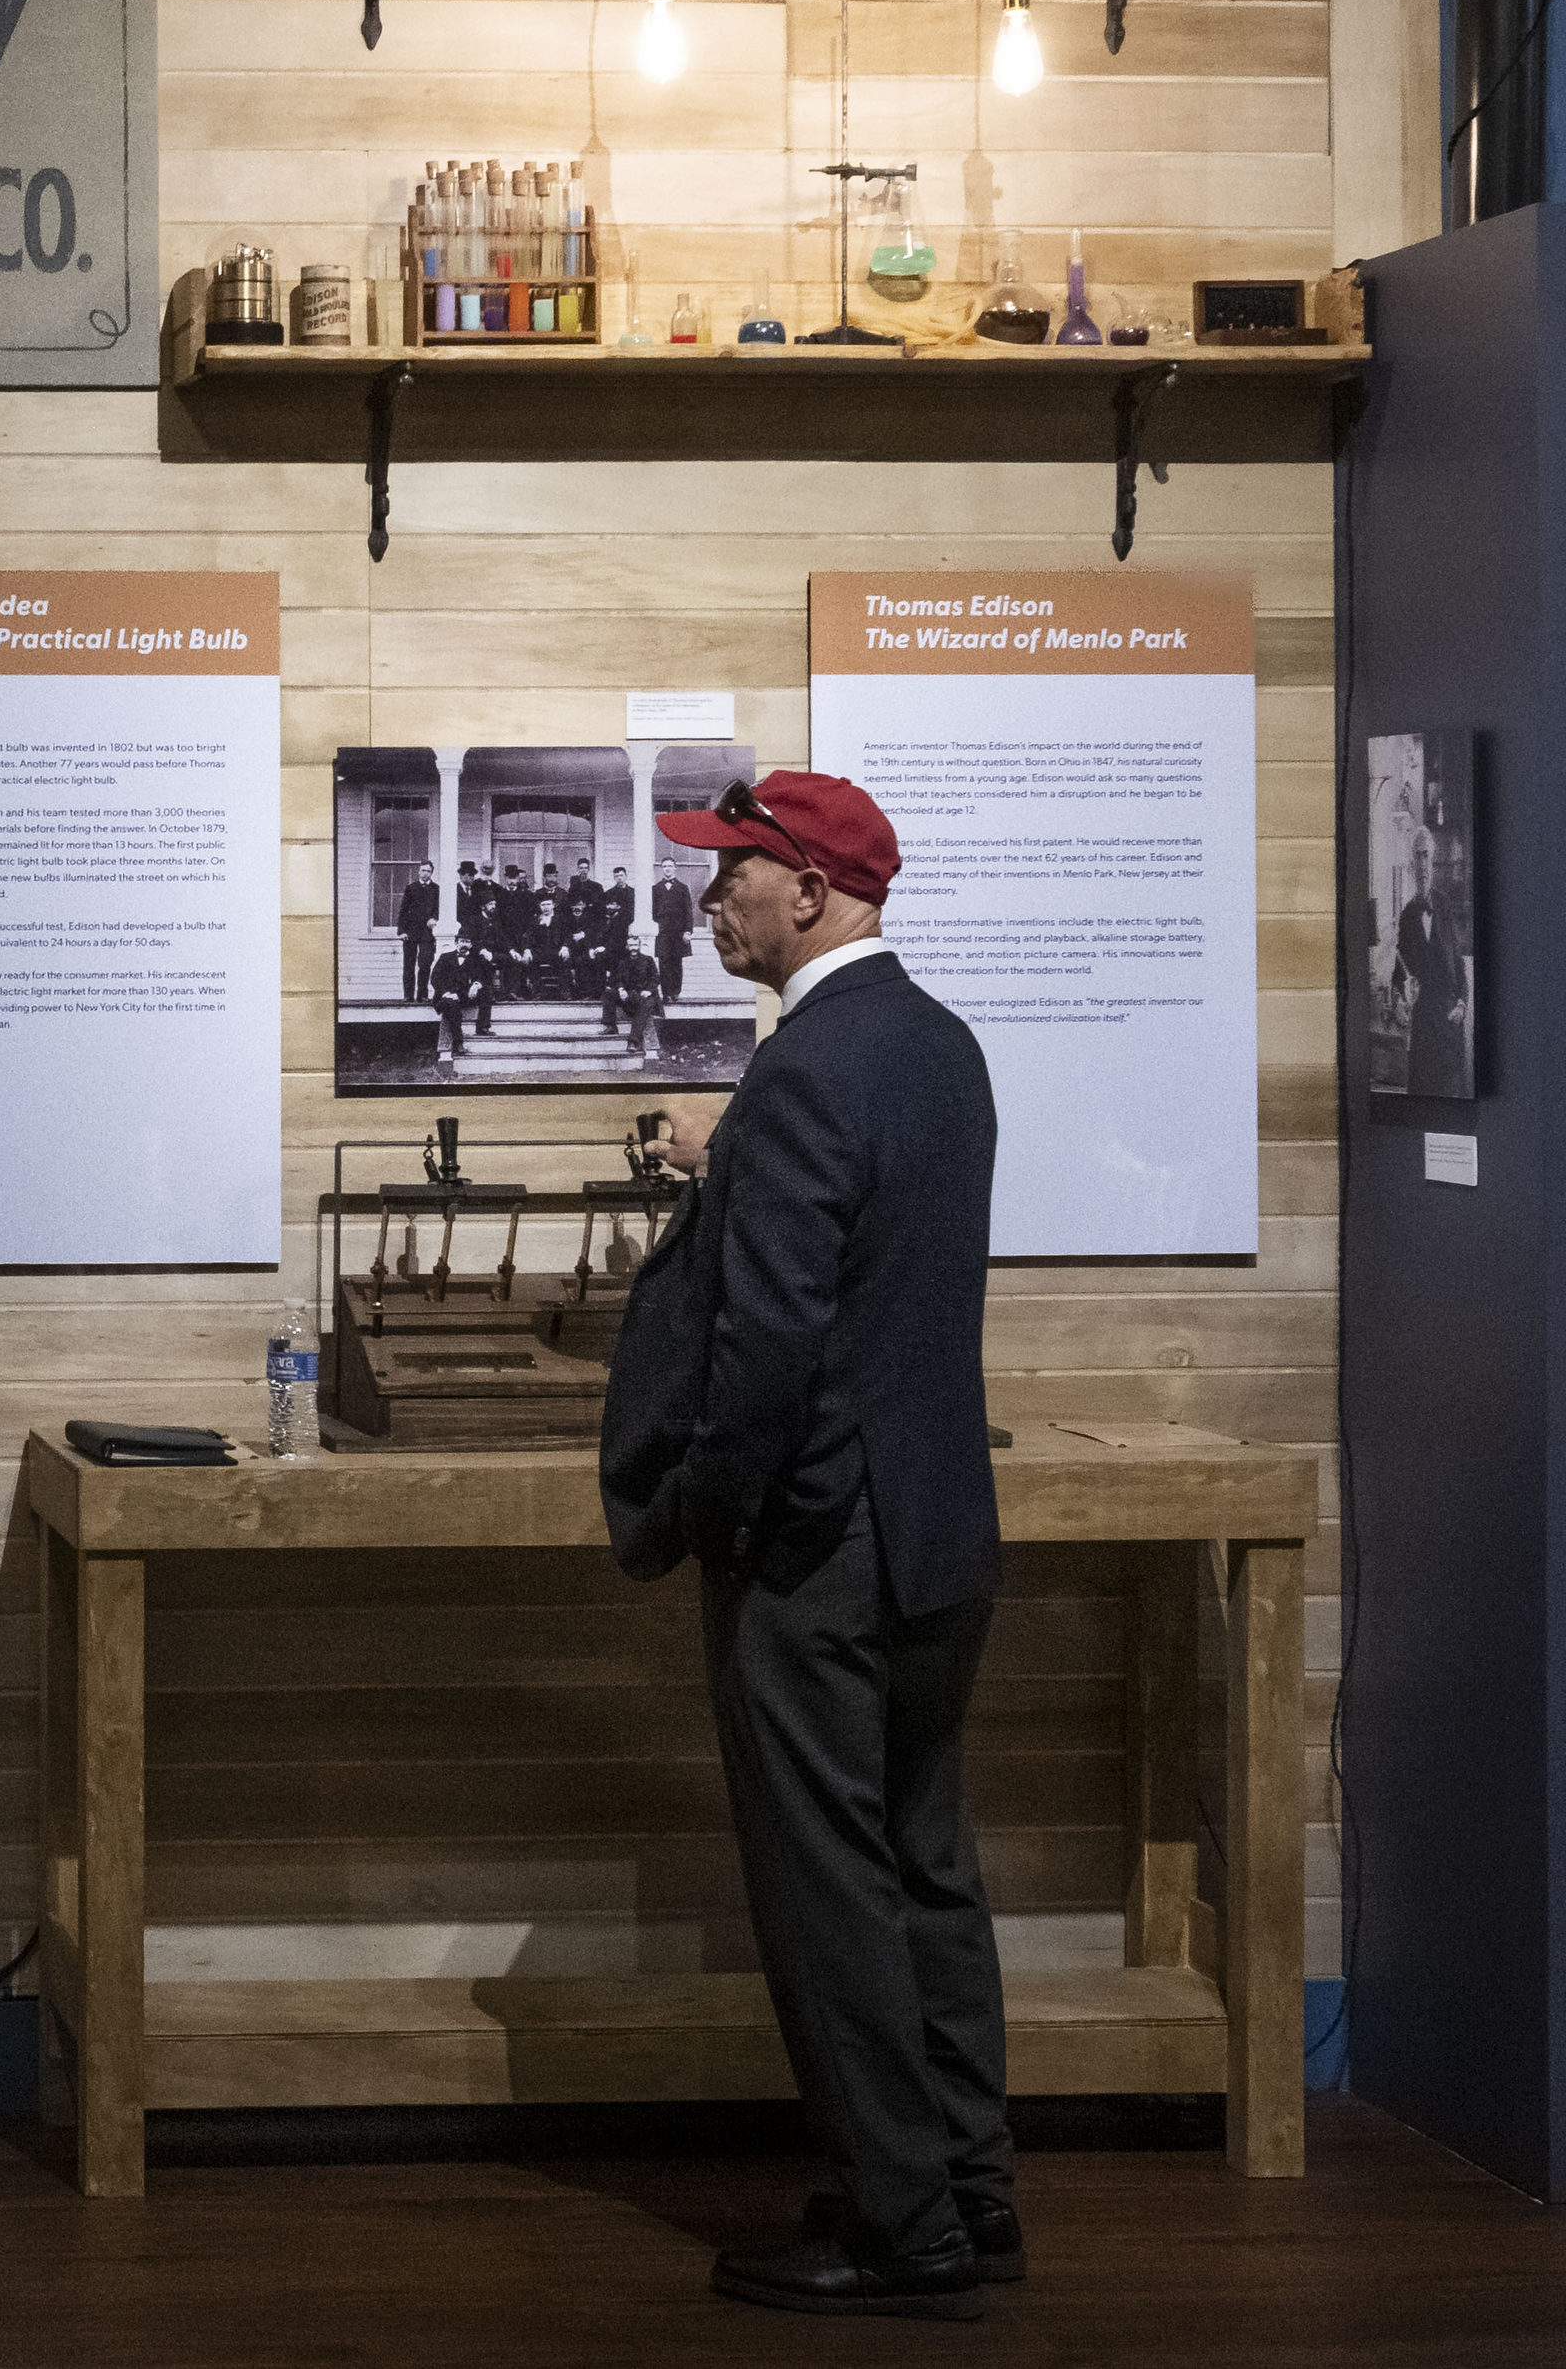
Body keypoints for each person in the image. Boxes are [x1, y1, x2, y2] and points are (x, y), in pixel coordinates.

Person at [598, 770, 1010, 2322]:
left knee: (828, 1890)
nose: (710, 899)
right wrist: (735, 1160)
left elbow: (766, 1348)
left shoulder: (802, 1069)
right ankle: (969, 2191)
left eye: (734, 875)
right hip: (937, 1531)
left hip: (819, 1547)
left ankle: (904, 2227)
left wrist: (711, 1511)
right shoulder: (936, 1045)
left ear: (815, 893)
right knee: (923, 1864)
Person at [1389, 825, 1469, 1097]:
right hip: (1423, 1029)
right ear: (1411, 863)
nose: (1422, 863)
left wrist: (1462, 1004)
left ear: (1432, 861)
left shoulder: (1445, 905)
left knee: (1452, 1103)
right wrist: (1398, 1002)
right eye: (1417, 855)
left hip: (1449, 1023)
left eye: (1426, 855)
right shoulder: (1407, 916)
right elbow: (1399, 973)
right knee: (1422, 1102)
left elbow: (1458, 964)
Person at [427, 937, 489, 1064]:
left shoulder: (476, 959)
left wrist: (476, 985)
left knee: (486, 993)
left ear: (471, 944)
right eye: (462, 941)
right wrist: (446, 993)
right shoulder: (445, 957)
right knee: (451, 1006)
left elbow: (483, 976)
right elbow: (435, 977)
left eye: (467, 942)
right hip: (446, 996)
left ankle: (482, 1027)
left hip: (464, 995)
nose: (464, 944)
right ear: (456, 943)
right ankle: (458, 1042)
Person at [654, 856, 700, 1003]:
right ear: (662, 869)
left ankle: (675, 992)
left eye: (669, 866)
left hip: (678, 932)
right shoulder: (656, 888)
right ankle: (666, 994)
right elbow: (652, 911)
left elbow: (688, 911)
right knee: (663, 961)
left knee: (676, 962)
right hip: (662, 931)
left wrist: (688, 931)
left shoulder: (682, 888)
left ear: (675, 868)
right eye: (664, 866)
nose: (667, 869)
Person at [397, 860, 441, 1003]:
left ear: (431, 873)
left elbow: (439, 908)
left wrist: (434, 918)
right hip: (410, 931)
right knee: (409, 964)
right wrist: (401, 931)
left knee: (425, 962)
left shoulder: (436, 889)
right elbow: (403, 910)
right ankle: (408, 995)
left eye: (428, 871)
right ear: (418, 872)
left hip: (427, 932)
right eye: (423, 870)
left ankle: (422, 995)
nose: (425, 873)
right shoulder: (411, 888)